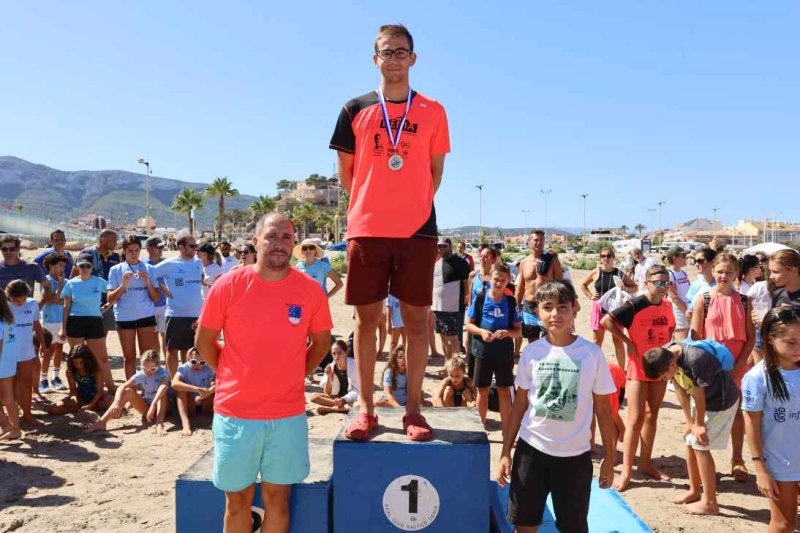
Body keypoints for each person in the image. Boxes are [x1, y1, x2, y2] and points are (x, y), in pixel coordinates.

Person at [330, 23, 450, 442]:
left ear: (413, 59)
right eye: (386, 52)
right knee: (366, 322)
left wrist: (409, 204)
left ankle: (414, 411)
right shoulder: (354, 108)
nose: (394, 59)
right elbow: (347, 173)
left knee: (417, 321)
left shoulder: (433, 110)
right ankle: (364, 409)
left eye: (401, 52)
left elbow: (435, 172)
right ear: (375, 58)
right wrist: (375, 202)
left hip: (417, 229)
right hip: (367, 227)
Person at [195, 213, 332, 532]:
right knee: (238, 501)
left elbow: (322, 343)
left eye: (287, 238)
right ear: (256, 242)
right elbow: (204, 341)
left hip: (286, 415)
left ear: (294, 245)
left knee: (278, 500)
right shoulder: (229, 284)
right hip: (235, 414)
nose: (280, 244)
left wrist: (296, 374)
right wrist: (231, 373)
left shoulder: (310, 290)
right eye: (272, 236)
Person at [497, 280, 616, 533]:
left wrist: (609, 457)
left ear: (575, 308)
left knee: (573, 527)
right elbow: (519, 406)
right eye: (547, 307)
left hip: (575, 457)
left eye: (562, 307)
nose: (555, 315)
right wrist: (506, 451)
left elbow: (604, 410)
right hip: (531, 452)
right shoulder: (532, 353)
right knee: (524, 525)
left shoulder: (592, 354)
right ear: (537, 312)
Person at [643, 341, 740, 515]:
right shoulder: (666, 354)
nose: (664, 381)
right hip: (703, 400)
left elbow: (699, 393)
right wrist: (689, 421)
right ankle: (695, 491)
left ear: (672, 364)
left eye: (663, 377)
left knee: (699, 444)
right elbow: (680, 386)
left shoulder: (695, 358)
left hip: (721, 401)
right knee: (689, 440)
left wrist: (699, 424)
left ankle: (710, 503)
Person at [602, 265, 676, 491]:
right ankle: (626, 472)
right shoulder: (636, 304)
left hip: (660, 366)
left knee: (652, 413)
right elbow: (607, 321)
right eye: (658, 283)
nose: (663, 287)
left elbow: (671, 328)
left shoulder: (667, 305)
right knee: (634, 419)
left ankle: (645, 463)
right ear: (647, 283)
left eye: (666, 283)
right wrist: (628, 343)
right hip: (637, 367)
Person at [690, 253, 755, 482]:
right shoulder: (703, 299)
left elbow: (750, 337)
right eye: (720, 271)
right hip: (710, 369)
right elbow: (695, 338)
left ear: (736, 273)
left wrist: (739, 365)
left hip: (737, 368)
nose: (724, 276)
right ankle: (707, 466)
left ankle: (737, 460)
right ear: (713, 271)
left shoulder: (745, 300)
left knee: (738, 414)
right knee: (705, 414)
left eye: (728, 272)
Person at [742, 306, 800, 532]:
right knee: (784, 524)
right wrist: (760, 469)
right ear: (770, 338)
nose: (798, 348)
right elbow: (751, 422)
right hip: (779, 463)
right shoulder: (757, 377)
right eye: (791, 342)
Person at [465, 264, 521, 436]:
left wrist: (508, 333)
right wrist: (481, 331)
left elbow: (519, 330)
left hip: (503, 352)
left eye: (503, 281)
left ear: (508, 282)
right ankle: (480, 430)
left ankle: (507, 432)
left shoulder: (511, 302)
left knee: (504, 391)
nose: (498, 283)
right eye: (496, 279)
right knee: (482, 391)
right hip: (482, 351)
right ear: (490, 278)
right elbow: (468, 325)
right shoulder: (480, 298)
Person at [151, 230, 204, 377]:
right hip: (176, 313)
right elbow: (150, 275)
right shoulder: (169, 263)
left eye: (196, 246)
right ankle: (173, 382)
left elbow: (200, 280)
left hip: (196, 314)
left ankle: (188, 380)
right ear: (181, 247)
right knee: (172, 349)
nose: (195, 249)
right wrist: (163, 289)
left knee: (191, 351)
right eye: (192, 246)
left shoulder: (198, 263)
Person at [60, 252, 114, 393]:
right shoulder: (71, 283)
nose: (85, 268)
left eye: (87, 266)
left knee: (102, 359)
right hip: (75, 321)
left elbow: (112, 295)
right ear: (77, 267)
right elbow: (66, 307)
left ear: (92, 267)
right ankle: (77, 390)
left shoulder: (99, 281)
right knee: (77, 360)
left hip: (94, 321)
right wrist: (63, 329)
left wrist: (106, 307)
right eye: (82, 265)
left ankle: (111, 388)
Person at [107, 235, 159, 380]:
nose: (134, 253)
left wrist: (148, 282)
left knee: (147, 357)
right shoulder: (116, 270)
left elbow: (156, 298)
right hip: (125, 316)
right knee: (129, 357)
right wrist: (123, 286)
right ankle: (132, 390)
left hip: (146, 316)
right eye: (130, 250)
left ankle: (148, 389)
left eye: (137, 250)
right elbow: (110, 299)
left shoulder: (149, 269)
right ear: (124, 251)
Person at [88, 349, 170, 436]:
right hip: (148, 408)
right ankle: (102, 422)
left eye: (152, 369)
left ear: (158, 365)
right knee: (127, 392)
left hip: (164, 407)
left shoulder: (163, 373)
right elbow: (122, 386)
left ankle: (159, 423)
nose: (149, 372)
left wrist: (153, 405)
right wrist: (116, 402)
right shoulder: (142, 374)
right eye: (145, 369)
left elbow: (163, 386)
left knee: (162, 392)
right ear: (141, 366)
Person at [580, 246, 636, 367]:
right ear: (600, 258)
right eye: (603, 256)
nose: (606, 258)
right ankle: (594, 368)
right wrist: (590, 296)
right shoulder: (596, 272)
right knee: (597, 341)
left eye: (609, 256)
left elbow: (634, 287)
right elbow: (583, 285)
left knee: (618, 340)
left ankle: (622, 371)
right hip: (599, 308)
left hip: (615, 310)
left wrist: (624, 288)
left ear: (613, 258)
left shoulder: (619, 273)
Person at [6, 280, 45, 425]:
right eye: (17, 301)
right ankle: (13, 417)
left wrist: (42, 341)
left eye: (23, 299)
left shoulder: (33, 304)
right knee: (11, 383)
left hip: (26, 351)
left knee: (27, 383)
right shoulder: (3, 306)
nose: (21, 303)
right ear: (9, 296)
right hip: (7, 351)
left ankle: (27, 415)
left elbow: (36, 323)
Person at [516, 230, 563, 343]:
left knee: (551, 339)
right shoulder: (524, 262)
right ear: (529, 242)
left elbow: (561, 285)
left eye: (541, 240)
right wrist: (516, 307)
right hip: (529, 306)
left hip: (547, 305)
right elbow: (521, 287)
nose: (539, 242)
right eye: (536, 240)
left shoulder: (553, 260)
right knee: (532, 341)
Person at [431, 238, 470, 366]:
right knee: (442, 337)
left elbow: (466, 282)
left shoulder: (461, 262)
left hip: (454, 307)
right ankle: (448, 365)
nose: (441, 248)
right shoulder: (436, 264)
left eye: (444, 246)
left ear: (450, 246)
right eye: (439, 246)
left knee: (453, 339)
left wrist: (466, 297)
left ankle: (456, 367)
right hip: (437, 307)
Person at [46, 344, 113, 416]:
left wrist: (90, 405)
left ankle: (84, 407)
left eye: (81, 362)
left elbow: (99, 391)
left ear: (87, 360)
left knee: (109, 400)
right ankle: (81, 407)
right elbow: (73, 391)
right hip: (80, 396)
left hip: (96, 397)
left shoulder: (96, 370)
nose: (79, 366)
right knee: (53, 409)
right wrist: (74, 400)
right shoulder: (70, 372)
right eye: (75, 363)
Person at [77, 229, 120, 339]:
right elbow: (75, 275)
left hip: (107, 302)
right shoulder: (87, 254)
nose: (115, 243)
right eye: (113, 240)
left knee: (102, 333)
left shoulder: (115, 257)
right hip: (89, 302)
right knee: (88, 336)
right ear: (103, 239)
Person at [38, 253, 68, 393]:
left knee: (59, 349)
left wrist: (59, 299)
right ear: (51, 265)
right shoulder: (46, 281)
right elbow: (50, 300)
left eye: (64, 266)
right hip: (49, 320)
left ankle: (56, 377)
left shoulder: (66, 281)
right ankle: (43, 379)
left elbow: (67, 302)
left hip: (63, 320)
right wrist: (60, 287)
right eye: (60, 265)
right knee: (48, 350)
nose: (62, 268)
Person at [172, 347, 216, 436]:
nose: (198, 365)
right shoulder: (184, 368)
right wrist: (196, 389)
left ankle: (212, 419)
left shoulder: (209, 368)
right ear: (189, 359)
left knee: (216, 388)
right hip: (190, 403)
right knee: (180, 390)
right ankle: (185, 423)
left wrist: (209, 391)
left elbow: (218, 383)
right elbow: (174, 384)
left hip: (205, 401)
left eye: (202, 362)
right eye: (194, 362)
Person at [311, 339, 359, 415]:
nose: (336, 356)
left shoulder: (354, 366)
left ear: (345, 352)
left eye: (339, 353)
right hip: (337, 397)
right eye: (334, 354)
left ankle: (331, 409)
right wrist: (329, 376)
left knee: (359, 404)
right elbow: (327, 392)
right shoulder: (332, 366)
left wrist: (344, 399)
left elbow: (358, 390)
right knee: (314, 397)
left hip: (351, 397)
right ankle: (341, 407)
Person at [0, 289, 20, 441]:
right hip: (8, 362)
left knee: (7, 398)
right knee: (8, 398)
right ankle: (11, 428)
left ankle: (9, 427)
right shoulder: (8, 318)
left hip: (2, 363)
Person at [144, 237, 168, 357]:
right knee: (153, 339)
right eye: (158, 247)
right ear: (149, 249)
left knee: (166, 338)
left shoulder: (167, 263)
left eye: (162, 247)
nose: (161, 250)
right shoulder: (143, 266)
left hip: (165, 306)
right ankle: (157, 367)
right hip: (149, 307)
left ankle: (168, 370)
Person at [665, 246, 693, 341]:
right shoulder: (669, 274)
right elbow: (673, 296)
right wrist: (686, 311)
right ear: (674, 258)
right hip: (678, 309)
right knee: (682, 338)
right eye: (684, 256)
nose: (686, 258)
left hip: (686, 307)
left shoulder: (683, 272)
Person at [685, 248, 718, 318]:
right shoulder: (695, 285)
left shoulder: (722, 286)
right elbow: (689, 305)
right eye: (695, 261)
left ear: (713, 262)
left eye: (700, 261)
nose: (696, 264)